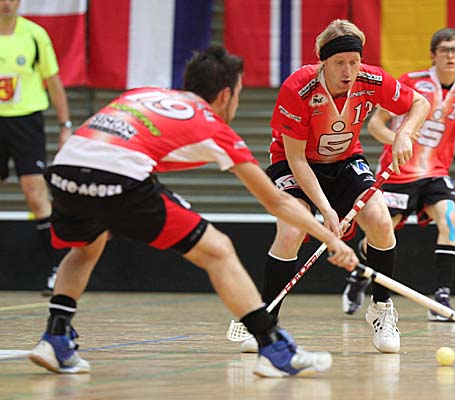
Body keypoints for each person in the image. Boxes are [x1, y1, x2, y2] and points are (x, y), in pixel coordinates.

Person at [28, 45, 359, 378]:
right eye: (239, 94)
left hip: (64, 170)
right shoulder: (212, 126)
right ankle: (274, 348)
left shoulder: (144, 94)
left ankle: (56, 336)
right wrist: (331, 239)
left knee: (85, 247)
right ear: (226, 95)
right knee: (219, 251)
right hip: (118, 176)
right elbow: (278, 202)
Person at [240, 19, 430, 354]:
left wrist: (404, 133)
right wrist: (326, 211)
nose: (348, 71)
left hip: (345, 161)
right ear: (323, 62)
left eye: (354, 62)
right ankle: (265, 322)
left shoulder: (371, 79)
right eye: (339, 62)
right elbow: (297, 159)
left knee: (381, 220)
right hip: (295, 161)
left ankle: (381, 308)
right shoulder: (298, 88)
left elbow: (420, 104)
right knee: (291, 230)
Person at [342, 28, 455, 322]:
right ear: (433, 54)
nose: (450, 55)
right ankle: (359, 274)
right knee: (380, 234)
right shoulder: (411, 83)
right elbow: (375, 125)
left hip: (435, 174)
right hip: (398, 172)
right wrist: (397, 141)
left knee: (450, 221)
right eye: (444, 50)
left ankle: (441, 298)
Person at [0, 0, 71, 295]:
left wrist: (65, 125)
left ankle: (58, 269)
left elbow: (53, 82)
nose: (6, 4)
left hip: (26, 122)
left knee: (34, 193)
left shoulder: (35, 35)